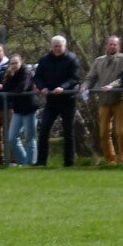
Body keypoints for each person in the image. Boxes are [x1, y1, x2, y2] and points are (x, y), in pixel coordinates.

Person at [32, 36, 81, 166]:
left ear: (64, 46)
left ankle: (68, 162)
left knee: (68, 131)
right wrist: (42, 87)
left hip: (68, 100)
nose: (57, 49)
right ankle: (41, 161)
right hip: (52, 100)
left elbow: (75, 78)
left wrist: (62, 87)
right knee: (44, 129)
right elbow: (37, 77)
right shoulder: (45, 60)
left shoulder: (72, 59)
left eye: (59, 46)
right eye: (55, 46)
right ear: (52, 46)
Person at [84, 36, 123, 166]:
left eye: (114, 45)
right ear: (106, 46)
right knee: (104, 132)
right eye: (110, 44)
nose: (112, 47)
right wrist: (85, 86)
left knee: (121, 131)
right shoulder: (99, 61)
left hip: (120, 99)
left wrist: (112, 86)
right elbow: (90, 77)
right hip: (104, 100)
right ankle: (110, 160)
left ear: (118, 46)